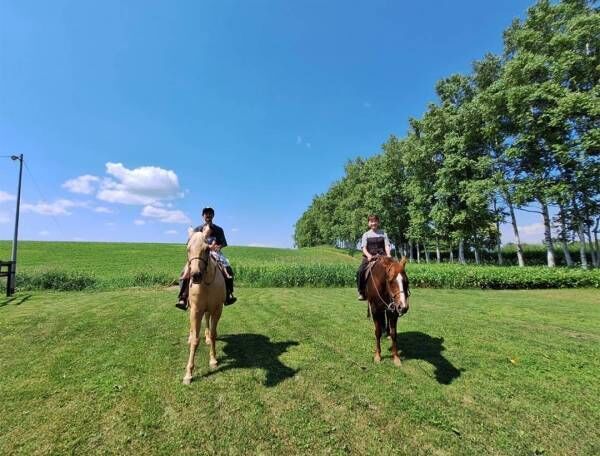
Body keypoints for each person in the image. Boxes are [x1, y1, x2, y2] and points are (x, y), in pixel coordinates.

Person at [176, 207, 237, 310]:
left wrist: (218, 247)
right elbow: (190, 243)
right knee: (184, 272)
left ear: (213, 215)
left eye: (210, 213)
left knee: (227, 268)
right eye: (206, 213)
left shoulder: (218, 229)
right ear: (203, 216)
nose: (208, 215)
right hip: (199, 254)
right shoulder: (197, 229)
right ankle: (183, 297)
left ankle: (228, 294)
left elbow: (223, 243)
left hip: (215, 253)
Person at [356, 214, 392, 300]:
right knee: (360, 271)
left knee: (395, 269)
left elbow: (387, 245)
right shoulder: (366, 235)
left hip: (382, 256)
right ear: (368, 223)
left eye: (375, 221)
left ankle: (395, 290)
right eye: (371, 221)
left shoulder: (383, 233)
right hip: (369, 257)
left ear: (378, 222)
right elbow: (363, 248)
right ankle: (362, 292)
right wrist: (368, 256)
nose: (373, 223)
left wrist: (389, 254)